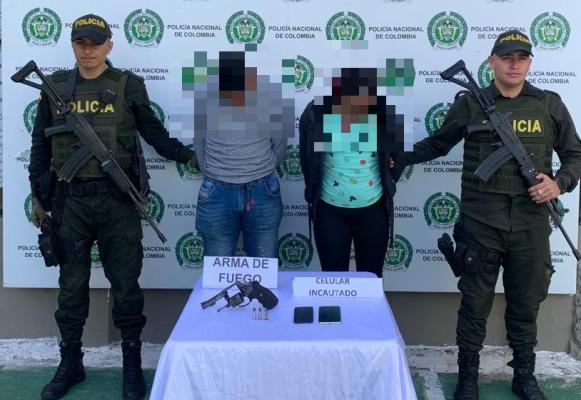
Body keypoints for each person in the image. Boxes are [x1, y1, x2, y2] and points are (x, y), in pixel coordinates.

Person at [28, 14, 197, 400]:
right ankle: (71, 362)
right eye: (81, 43)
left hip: (117, 202)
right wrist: (39, 198)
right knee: (71, 289)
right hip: (70, 203)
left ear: (109, 45)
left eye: (95, 43)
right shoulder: (54, 87)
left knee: (125, 286)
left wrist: (190, 156)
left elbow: (154, 136)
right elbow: (40, 147)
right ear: (73, 45)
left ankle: (131, 363)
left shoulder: (127, 85)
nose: (88, 51)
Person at [405, 30, 581, 400]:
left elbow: (574, 155)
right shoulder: (471, 104)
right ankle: (468, 377)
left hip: (531, 223)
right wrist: (397, 158)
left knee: (526, 305)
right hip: (481, 222)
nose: (514, 65)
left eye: (522, 58)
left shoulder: (549, 104)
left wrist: (559, 184)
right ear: (492, 62)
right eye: (506, 57)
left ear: (530, 62)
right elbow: (437, 145)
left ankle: (524, 375)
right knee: (474, 304)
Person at [299, 67, 404, 277]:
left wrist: (389, 177)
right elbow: (306, 159)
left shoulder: (385, 114)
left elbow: (398, 157)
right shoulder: (314, 113)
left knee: (371, 279)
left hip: (373, 211)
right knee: (334, 281)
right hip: (329, 211)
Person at [194, 51, 291, 258]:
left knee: (264, 265)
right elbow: (199, 144)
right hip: (217, 190)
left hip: (262, 189)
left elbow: (280, 143)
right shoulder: (205, 101)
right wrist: (213, 173)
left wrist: (263, 168)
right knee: (218, 266)